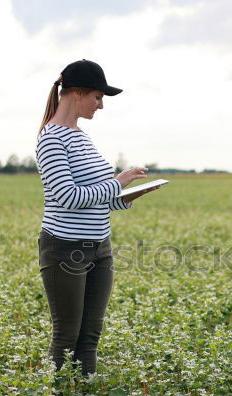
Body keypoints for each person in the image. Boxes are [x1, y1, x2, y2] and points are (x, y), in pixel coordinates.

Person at [36, 59, 160, 377]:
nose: (100, 105)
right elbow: (68, 197)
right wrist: (117, 183)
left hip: (99, 247)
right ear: (77, 93)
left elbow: (99, 199)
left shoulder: (81, 136)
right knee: (66, 338)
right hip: (65, 249)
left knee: (89, 339)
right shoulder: (51, 139)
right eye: (97, 97)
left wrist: (129, 193)